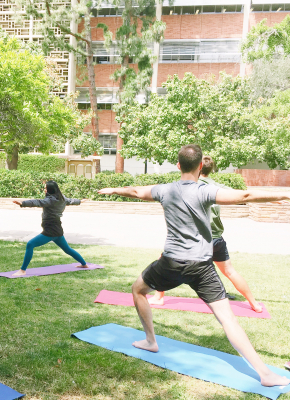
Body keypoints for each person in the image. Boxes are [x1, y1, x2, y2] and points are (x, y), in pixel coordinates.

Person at [98, 145, 290, 387]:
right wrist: (284, 194)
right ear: (201, 166)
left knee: (138, 290)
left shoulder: (165, 190)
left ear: (178, 166)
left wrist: (114, 189)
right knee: (228, 319)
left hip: (171, 263)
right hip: (201, 266)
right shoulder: (206, 191)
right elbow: (245, 196)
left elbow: (136, 191)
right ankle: (266, 374)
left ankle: (150, 340)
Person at [148, 155, 263, 313]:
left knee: (165, 260)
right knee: (229, 271)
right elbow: (243, 195)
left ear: (197, 167)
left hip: (198, 241)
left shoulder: (192, 186)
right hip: (217, 240)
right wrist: (272, 199)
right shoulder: (217, 186)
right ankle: (255, 304)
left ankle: (158, 297)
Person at [11, 180, 88, 277]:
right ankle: (84, 264)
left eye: (45, 188)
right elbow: (71, 201)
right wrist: (80, 201)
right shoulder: (61, 198)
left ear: (49, 190)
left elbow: (38, 202)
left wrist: (23, 203)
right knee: (67, 249)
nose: (44, 189)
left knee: (30, 244)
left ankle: (22, 270)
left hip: (50, 230)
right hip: (57, 228)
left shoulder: (50, 200)